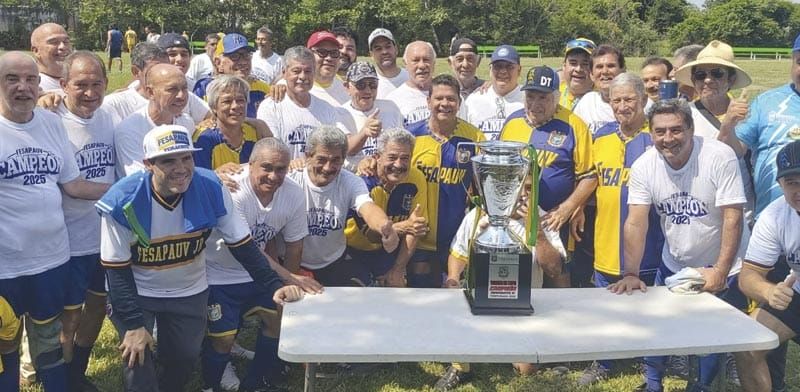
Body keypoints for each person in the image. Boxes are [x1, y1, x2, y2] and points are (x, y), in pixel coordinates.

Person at [97, 124, 303, 392]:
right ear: (148, 164)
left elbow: (243, 246)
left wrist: (274, 285)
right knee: (138, 359)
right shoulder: (123, 201)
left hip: (188, 288)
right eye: (168, 161)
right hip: (138, 289)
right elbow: (116, 270)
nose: (181, 168)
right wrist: (134, 325)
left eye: (187, 158)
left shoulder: (211, 186)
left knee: (184, 358)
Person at [608, 99, 750, 392]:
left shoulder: (719, 156)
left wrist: (720, 271)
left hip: (723, 260)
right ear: (650, 132)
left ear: (691, 129)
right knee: (659, 325)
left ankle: (700, 387)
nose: (668, 138)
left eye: (676, 130)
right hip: (675, 260)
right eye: (660, 131)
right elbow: (636, 222)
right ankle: (652, 384)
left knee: (712, 335)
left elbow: (732, 217)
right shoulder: (644, 165)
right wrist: (631, 273)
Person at [0, 51, 111, 392]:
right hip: (6, 265)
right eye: (12, 79)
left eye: (30, 79)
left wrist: (133, 190)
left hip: (52, 259)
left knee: (49, 340)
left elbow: (74, 185)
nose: (23, 87)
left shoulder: (51, 124)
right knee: (5, 343)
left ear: (40, 84)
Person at [202, 137, 320, 392]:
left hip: (258, 274)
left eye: (281, 169)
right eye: (266, 167)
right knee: (223, 339)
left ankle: (256, 382)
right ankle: (211, 383)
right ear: (250, 164)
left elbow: (294, 245)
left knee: (277, 319)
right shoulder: (233, 189)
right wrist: (289, 277)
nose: (273, 176)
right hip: (217, 272)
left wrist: (290, 288)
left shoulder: (293, 193)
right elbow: (247, 249)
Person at [438, 174, 567, 391]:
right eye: (517, 188)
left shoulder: (544, 218)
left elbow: (554, 270)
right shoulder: (478, 215)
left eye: (529, 188)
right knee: (456, 304)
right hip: (479, 305)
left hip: (521, 309)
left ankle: (519, 351)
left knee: (526, 369)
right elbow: (458, 254)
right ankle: (460, 367)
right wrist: (452, 278)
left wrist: (537, 231)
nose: (523, 195)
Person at [578, 73, 664, 385]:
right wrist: (577, 207)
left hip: (648, 241)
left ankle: (651, 364)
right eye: (617, 100)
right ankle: (604, 360)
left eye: (629, 99)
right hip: (606, 239)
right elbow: (591, 179)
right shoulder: (600, 136)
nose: (622, 106)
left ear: (643, 100)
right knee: (605, 306)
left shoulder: (655, 137)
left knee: (649, 306)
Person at [56, 51, 120, 392]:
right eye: (81, 85)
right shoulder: (51, 119)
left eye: (97, 84)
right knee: (69, 315)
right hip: (69, 239)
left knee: (97, 307)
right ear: (64, 84)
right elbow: (73, 187)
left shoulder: (109, 116)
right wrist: (122, 190)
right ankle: (62, 377)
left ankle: (77, 372)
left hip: (105, 237)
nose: (90, 92)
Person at [501, 66, 595, 288]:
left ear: (556, 97)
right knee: (516, 281)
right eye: (530, 96)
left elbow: (590, 176)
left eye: (542, 97)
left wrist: (567, 208)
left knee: (558, 276)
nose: (535, 104)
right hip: (516, 216)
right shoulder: (512, 122)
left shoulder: (574, 125)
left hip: (555, 220)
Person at [289, 125, 400, 286]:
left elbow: (367, 208)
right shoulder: (291, 180)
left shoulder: (351, 181)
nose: (328, 167)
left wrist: (384, 226)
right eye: (321, 159)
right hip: (292, 262)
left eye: (335, 160)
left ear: (343, 159)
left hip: (334, 263)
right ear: (308, 156)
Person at [407, 74, 486, 288]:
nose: (445, 104)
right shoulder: (411, 136)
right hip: (418, 235)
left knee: (454, 291)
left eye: (451, 99)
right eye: (439, 98)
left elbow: (482, 186)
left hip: (456, 235)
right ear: (428, 101)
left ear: (459, 103)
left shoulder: (474, 138)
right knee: (420, 292)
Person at [735, 140, 800, 392]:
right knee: (747, 345)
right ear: (780, 184)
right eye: (791, 182)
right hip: (797, 293)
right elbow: (748, 275)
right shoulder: (774, 215)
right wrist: (769, 291)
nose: (798, 190)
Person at [674, 40, 755, 222]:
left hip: (740, 213)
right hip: (696, 213)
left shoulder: (747, 113)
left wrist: (729, 124)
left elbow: (736, 154)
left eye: (717, 73)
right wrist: (727, 125)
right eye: (700, 75)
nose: (708, 80)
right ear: (693, 81)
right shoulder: (684, 115)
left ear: (731, 79)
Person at [345, 128, 428, 287]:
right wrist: (403, 227)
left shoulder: (416, 178)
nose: (398, 164)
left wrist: (398, 269)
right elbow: (371, 235)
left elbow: (415, 229)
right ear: (378, 157)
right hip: (354, 251)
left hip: (390, 251)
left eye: (405, 158)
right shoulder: (362, 181)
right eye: (392, 157)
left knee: (398, 287)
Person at [256, 46, 353, 161]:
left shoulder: (327, 109)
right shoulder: (270, 107)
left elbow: (337, 147)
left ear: (314, 73)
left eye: (308, 71)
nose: (302, 77)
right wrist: (291, 164)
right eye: (296, 71)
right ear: (284, 73)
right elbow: (271, 151)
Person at [114, 63, 195, 177]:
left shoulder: (186, 123)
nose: (181, 96)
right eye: (172, 89)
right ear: (151, 92)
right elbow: (141, 178)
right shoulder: (129, 130)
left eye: (184, 88)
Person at [102, 42, 210, 125]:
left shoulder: (181, 97)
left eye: (167, 67)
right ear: (136, 71)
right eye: (155, 69)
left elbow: (212, 118)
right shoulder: (115, 105)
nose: (163, 73)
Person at [193, 75, 271, 170]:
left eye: (240, 100)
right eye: (227, 101)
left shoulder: (256, 132)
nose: (235, 106)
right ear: (214, 107)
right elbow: (198, 175)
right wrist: (216, 174)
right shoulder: (203, 139)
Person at [340, 61, 403, 171]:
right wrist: (364, 132)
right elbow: (347, 150)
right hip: (354, 174)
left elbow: (401, 144)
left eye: (373, 85)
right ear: (347, 87)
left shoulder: (391, 108)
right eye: (361, 85)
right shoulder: (340, 113)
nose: (368, 91)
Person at [194, 33, 271, 118]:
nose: (243, 62)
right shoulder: (204, 88)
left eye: (246, 55)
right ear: (218, 63)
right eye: (234, 56)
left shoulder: (263, 90)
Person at [461, 44, 523, 140]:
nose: (503, 71)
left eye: (509, 67)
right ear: (490, 70)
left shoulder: (529, 99)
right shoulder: (474, 100)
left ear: (519, 70)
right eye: (497, 67)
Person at [573, 44, 631, 135]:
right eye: (599, 67)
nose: (604, 71)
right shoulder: (587, 103)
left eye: (611, 66)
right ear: (591, 75)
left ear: (623, 70)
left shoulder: (639, 103)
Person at [386, 41, 436, 126]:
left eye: (426, 60)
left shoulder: (449, 94)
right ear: (405, 64)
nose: (421, 66)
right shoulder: (393, 101)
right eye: (415, 60)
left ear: (434, 63)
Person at [305, 30, 348, 106]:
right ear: (308, 55)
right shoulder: (295, 88)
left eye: (334, 53)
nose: (329, 58)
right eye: (322, 52)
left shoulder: (347, 89)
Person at [30, 23, 72, 92]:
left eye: (66, 42)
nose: (63, 47)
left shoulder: (83, 81)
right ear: (36, 51)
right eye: (54, 42)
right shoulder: (31, 87)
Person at [367, 28, 408, 99]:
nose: (384, 52)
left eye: (388, 47)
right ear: (371, 55)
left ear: (396, 49)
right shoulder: (367, 84)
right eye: (378, 49)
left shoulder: (410, 78)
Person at [559, 38, 596, 110]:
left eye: (585, 64)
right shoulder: (552, 96)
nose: (578, 69)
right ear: (564, 66)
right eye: (573, 63)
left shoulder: (604, 99)